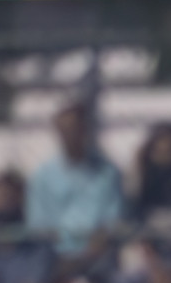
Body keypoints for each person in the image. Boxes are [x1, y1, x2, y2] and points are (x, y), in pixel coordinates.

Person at [27, 102, 124, 256]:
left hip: (99, 254)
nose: (70, 134)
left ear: (85, 130)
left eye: (75, 129)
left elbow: (113, 219)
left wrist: (93, 248)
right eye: (64, 130)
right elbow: (38, 225)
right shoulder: (42, 176)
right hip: (54, 257)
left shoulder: (109, 172)